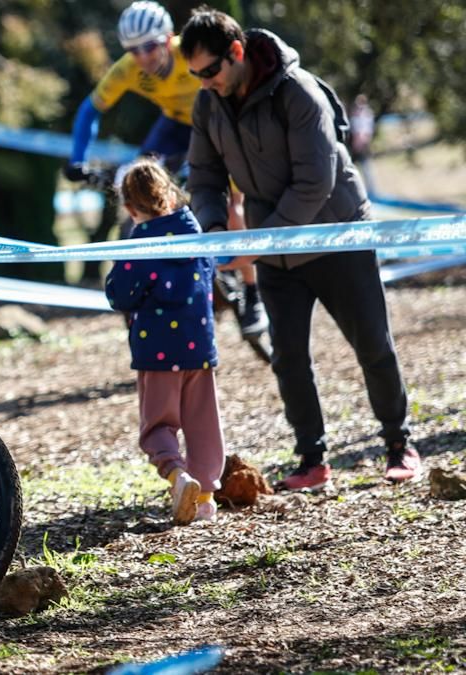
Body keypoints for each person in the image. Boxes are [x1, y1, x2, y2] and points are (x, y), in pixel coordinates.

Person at [179, 7, 419, 489]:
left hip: (337, 234)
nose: (205, 82)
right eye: (195, 75)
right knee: (288, 357)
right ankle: (312, 460)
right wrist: (213, 228)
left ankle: (400, 443)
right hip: (276, 248)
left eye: (210, 70)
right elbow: (204, 176)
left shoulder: (299, 91)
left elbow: (316, 182)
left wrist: (262, 240)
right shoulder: (208, 104)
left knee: (372, 344)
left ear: (238, 52)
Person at [64, 1, 266, 335]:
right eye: (133, 50)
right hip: (174, 127)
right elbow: (89, 111)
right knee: (138, 188)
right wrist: (77, 159)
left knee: (233, 204)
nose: (143, 57)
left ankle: (252, 293)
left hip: (214, 123)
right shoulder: (128, 68)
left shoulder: (189, 55)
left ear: (169, 37)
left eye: (150, 46)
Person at [106, 159, 225, 525]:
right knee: (203, 423)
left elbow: (119, 295)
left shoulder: (140, 245)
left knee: (158, 426)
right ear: (170, 193)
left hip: (156, 351)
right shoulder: (196, 234)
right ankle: (204, 498)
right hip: (200, 347)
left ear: (130, 208)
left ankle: (178, 476)